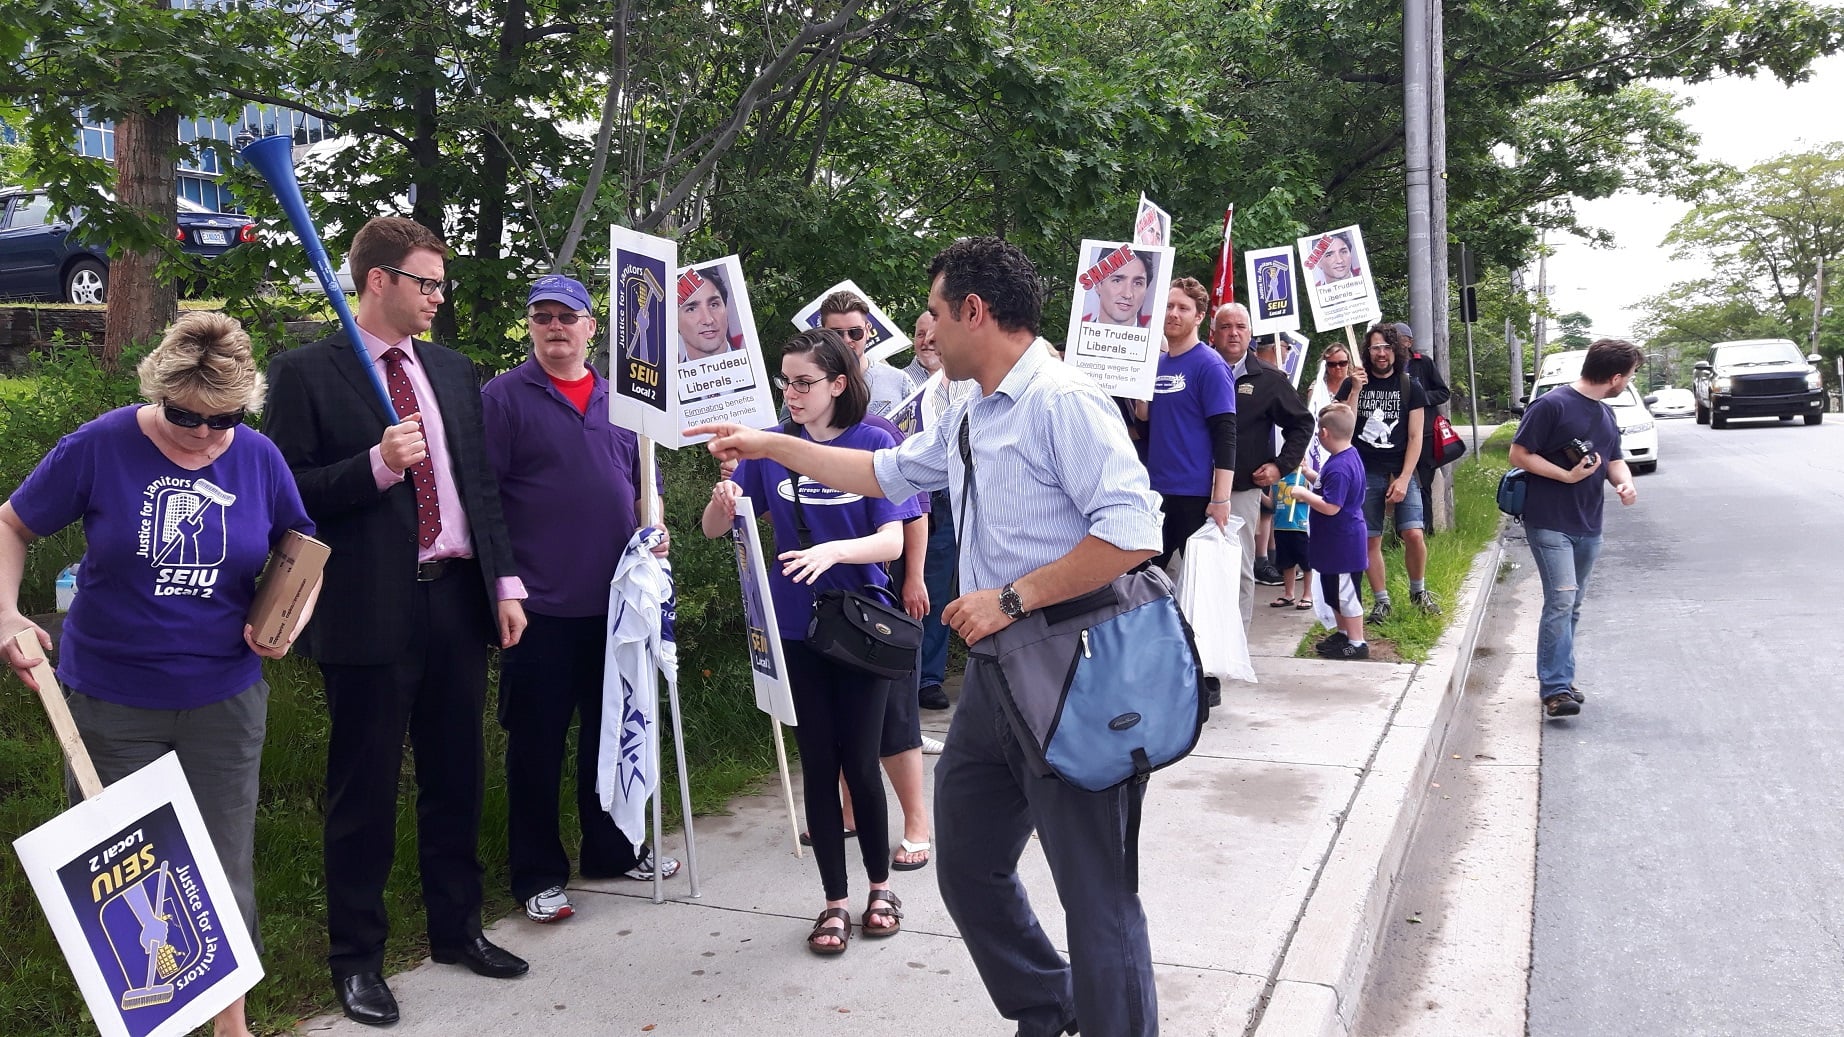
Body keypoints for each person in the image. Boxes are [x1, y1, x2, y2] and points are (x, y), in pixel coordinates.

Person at [689, 236, 1166, 1037]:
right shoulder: (973, 407)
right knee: (970, 866)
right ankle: (1050, 1008)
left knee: (1095, 893)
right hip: (996, 677)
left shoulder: (1063, 400)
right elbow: (881, 474)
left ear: (975, 312)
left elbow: (1133, 532)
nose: (927, 333)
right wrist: (768, 443)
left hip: (1073, 671)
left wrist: (1011, 598)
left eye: (938, 314)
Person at [0, 313, 310, 1037]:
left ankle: (230, 1025)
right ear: (159, 389)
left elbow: (303, 545)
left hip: (223, 698)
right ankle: (146, 1017)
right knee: (125, 872)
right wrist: (7, 612)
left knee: (220, 864)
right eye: (183, 417)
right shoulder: (103, 444)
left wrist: (290, 613)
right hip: (110, 700)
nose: (202, 436)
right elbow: (12, 524)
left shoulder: (259, 457)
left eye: (223, 421)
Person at [263, 216, 530, 1027]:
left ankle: (457, 928)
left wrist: (505, 582)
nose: (437, 299)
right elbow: (289, 493)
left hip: (454, 596)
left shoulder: (451, 371)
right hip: (366, 607)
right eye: (426, 283)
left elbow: (477, 485)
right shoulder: (308, 373)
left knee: (457, 772)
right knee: (364, 789)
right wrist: (377, 464)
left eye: (441, 285)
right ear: (378, 280)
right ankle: (357, 959)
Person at [698, 327, 919, 954]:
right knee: (818, 765)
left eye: (804, 382)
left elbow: (893, 542)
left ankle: (881, 887)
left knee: (861, 761)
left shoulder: (876, 442)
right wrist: (725, 499)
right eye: (785, 381)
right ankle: (833, 902)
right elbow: (718, 530)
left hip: (861, 625)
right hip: (794, 624)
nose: (792, 394)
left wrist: (833, 551)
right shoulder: (770, 449)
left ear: (838, 384)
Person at [482, 274, 681, 928]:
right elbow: (485, 504)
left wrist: (654, 521)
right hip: (538, 611)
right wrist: (504, 586)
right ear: (532, 327)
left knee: (615, 736)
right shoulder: (504, 398)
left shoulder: (625, 400)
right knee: (536, 748)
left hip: (616, 610)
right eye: (542, 317)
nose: (555, 327)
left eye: (567, 317)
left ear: (591, 327)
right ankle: (538, 874)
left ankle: (614, 848)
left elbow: (640, 483)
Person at [1507, 338, 1640, 719]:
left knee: (1573, 604)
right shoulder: (1552, 405)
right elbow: (1518, 453)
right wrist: (1564, 476)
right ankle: (1555, 689)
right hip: (1549, 520)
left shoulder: (1605, 414)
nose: (1628, 383)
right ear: (1615, 377)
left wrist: (1624, 483)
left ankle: (1563, 676)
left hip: (1589, 521)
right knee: (1562, 599)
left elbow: (1614, 458)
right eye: (1629, 377)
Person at [1210, 303, 1313, 626]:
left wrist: (1280, 466)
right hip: (1193, 485)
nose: (1233, 333)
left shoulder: (1268, 379)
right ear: (1213, 334)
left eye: (1240, 326)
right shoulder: (1198, 369)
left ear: (1251, 333)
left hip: (1240, 489)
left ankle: (1235, 638)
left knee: (1239, 563)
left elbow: (1302, 424)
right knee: (1195, 566)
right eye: (1226, 326)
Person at [1335, 322, 1436, 624]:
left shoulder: (1409, 386)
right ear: (1367, 351)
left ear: (1396, 350)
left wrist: (1405, 478)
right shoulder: (1353, 383)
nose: (1381, 353)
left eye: (1386, 347)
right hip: (1364, 472)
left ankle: (1418, 591)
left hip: (1401, 470)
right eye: (1375, 347)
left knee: (1414, 533)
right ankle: (1382, 601)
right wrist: (1353, 388)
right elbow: (1343, 426)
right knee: (1370, 539)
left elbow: (1416, 436)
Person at [1139, 278, 1236, 570]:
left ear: (1199, 316)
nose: (1173, 313)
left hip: (1196, 495)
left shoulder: (1211, 365)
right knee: (1143, 582)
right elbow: (1146, 425)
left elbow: (1226, 434)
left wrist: (1221, 499)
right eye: (1168, 306)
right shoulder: (1156, 364)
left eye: (1183, 308)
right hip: (1156, 492)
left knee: (1202, 588)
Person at [1289, 404, 1370, 659]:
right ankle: (1344, 634)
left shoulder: (1339, 467)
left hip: (1343, 543)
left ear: (1324, 433)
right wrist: (1309, 474)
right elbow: (1327, 485)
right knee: (1334, 591)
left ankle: (1357, 643)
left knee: (1346, 595)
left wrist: (1304, 494)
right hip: (1333, 543)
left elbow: (1332, 506)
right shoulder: (1343, 458)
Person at [904, 310, 956, 712]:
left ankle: (929, 678)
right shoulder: (898, 383)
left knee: (935, 591)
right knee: (896, 588)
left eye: (933, 334)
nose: (926, 341)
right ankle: (897, 669)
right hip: (899, 495)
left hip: (947, 499)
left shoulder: (968, 383)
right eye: (919, 334)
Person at [818, 289, 915, 417]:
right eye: (837, 334)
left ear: (868, 330)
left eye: (855, 332)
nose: (847, 340)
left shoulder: (899, 381)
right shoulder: (806, 381)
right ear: (823, 334)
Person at [1394, 322, 1451, 530]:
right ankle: (1402, 532)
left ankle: (1427, 530)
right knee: (1401, 482)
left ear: (1409, 342)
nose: (1394, 343)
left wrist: (1419, 398)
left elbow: (1444, 392)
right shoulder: (1388, 366)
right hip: (1398, 434)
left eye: (1398, 338)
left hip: (1424, 434)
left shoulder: (1423, 363)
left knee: (1424, 483)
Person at [677, 265, 742, 361]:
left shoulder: (755, 367)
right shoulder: (670, 376)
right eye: (692, 309)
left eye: (714, 305)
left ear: (726, 308)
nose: (708, 320)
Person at [1082, 248, 1156, 327]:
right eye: (1117, 281)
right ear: (1098, 285)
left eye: (1137, 283)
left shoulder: (1155, 339)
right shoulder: (1077, 335)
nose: (1127, 294)